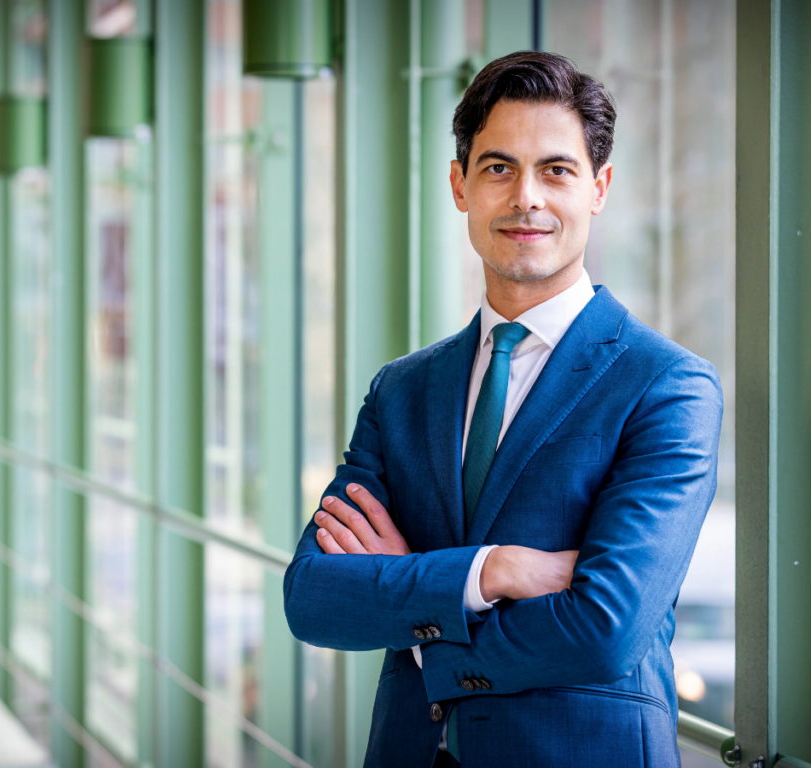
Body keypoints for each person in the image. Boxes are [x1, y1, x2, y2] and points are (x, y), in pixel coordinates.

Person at [283, 50, 722, 768]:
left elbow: (606, 628)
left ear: (599, 188)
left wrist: (425, 620)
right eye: (498, 168)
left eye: (556, 170)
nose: (527, 198)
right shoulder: (402, 389)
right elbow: (313, 597)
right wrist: (491, 571)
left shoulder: (667, 386)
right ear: (460, 186)